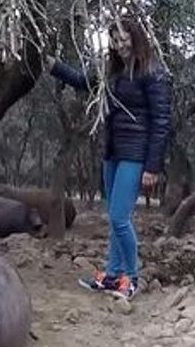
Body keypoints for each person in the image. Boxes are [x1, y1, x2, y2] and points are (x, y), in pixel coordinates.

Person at [47, 15, 173, 301]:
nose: (120, 46)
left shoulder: (153, 72)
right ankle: (112, 275)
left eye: (124, 39)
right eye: (115, 41)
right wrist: (52, 65)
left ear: (136, 38)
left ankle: (131, 278)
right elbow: (82, 81)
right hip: (112, 151)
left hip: (136, 153)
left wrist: (153, 166)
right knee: (115, 218)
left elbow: (161, 121)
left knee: (119, 218)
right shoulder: (111, 72)